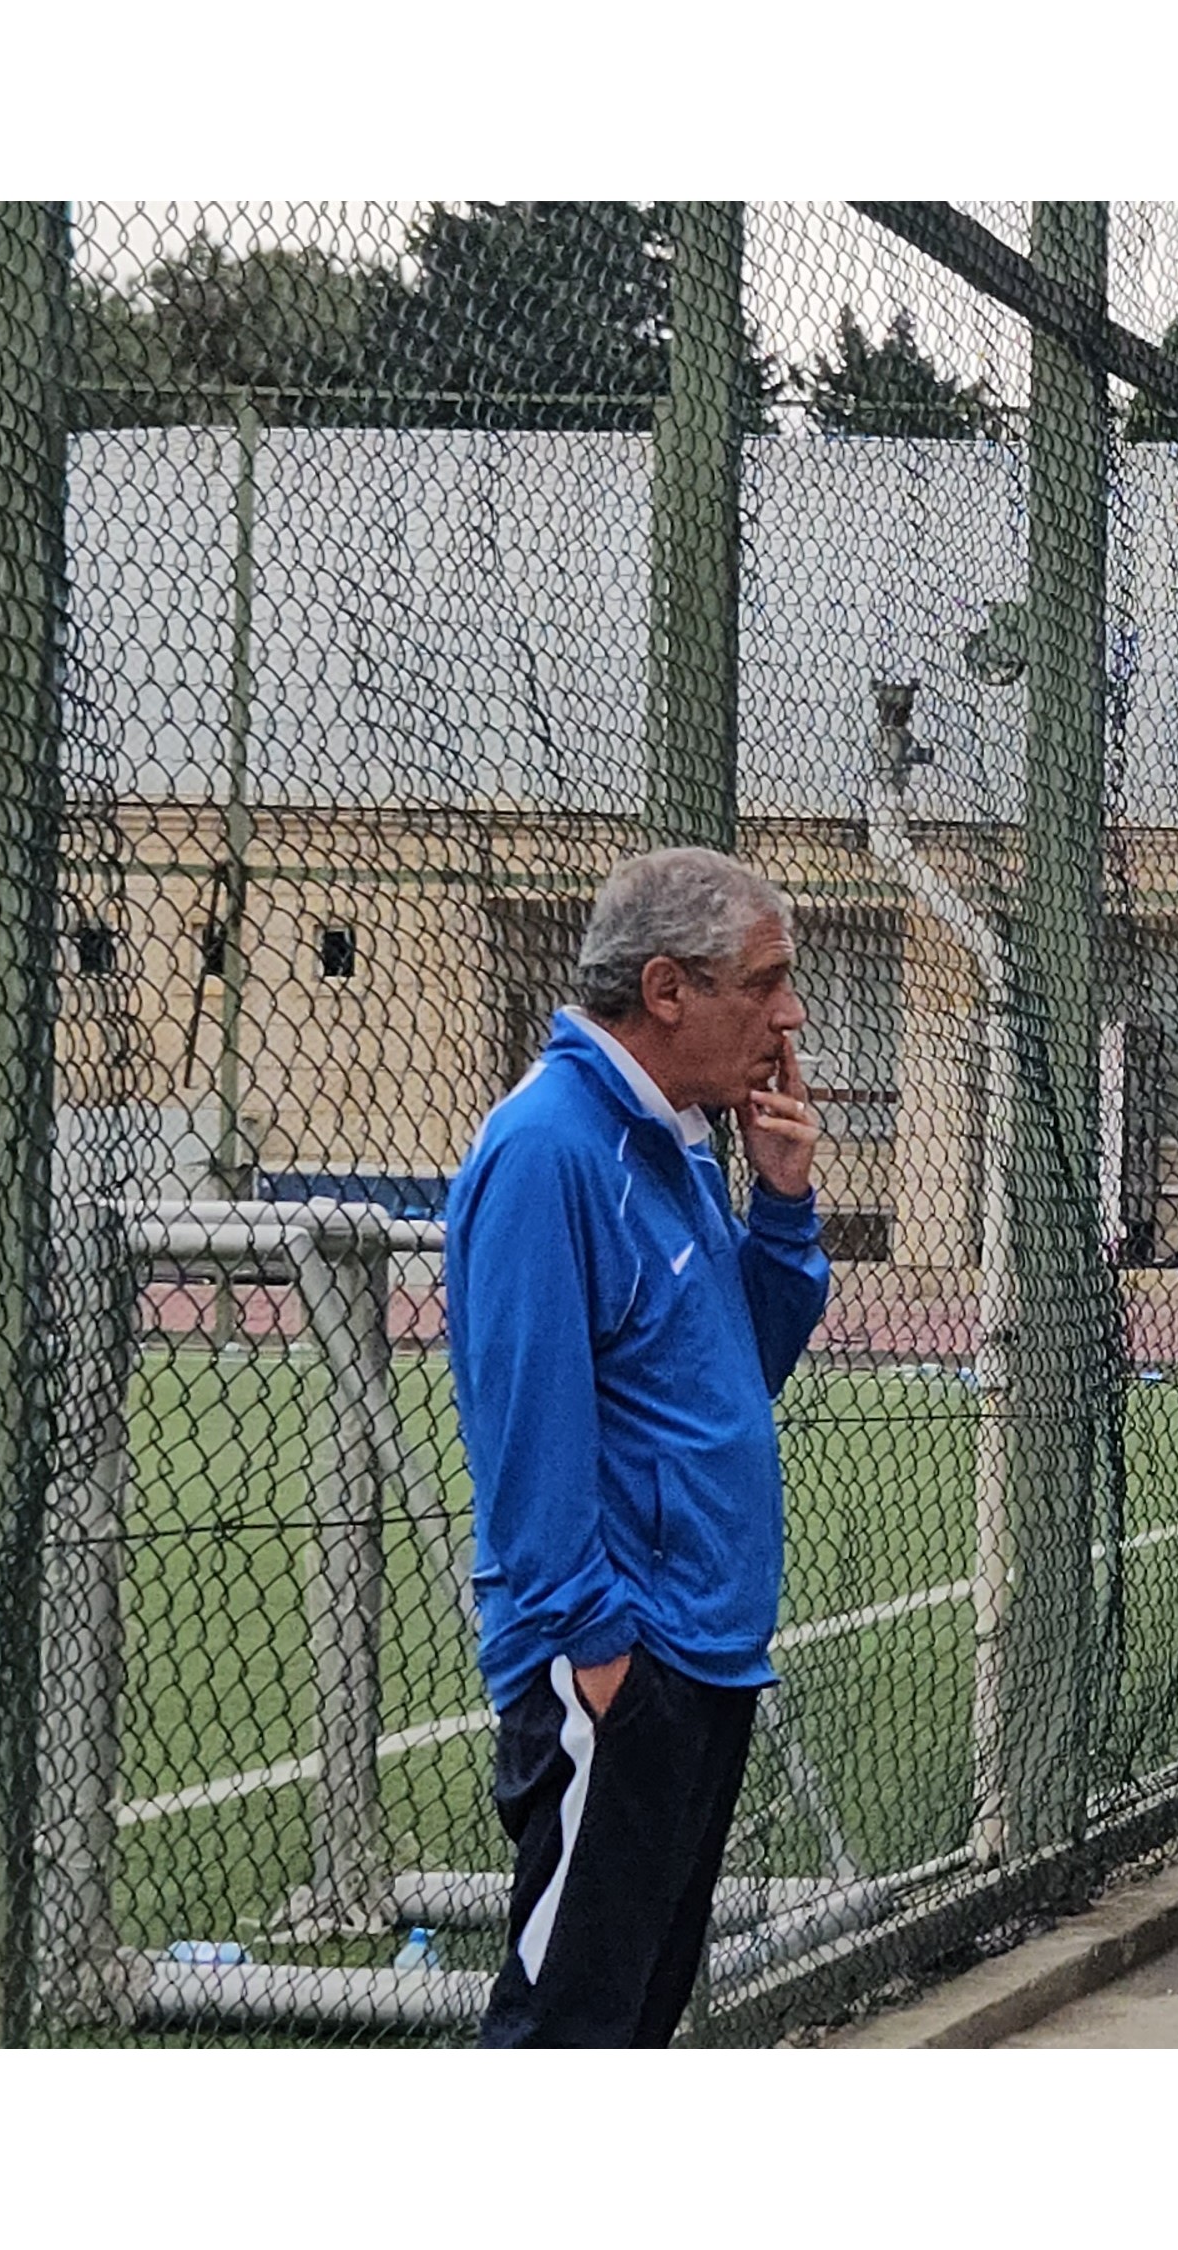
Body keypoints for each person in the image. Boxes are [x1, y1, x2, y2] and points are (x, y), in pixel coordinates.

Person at [446, 847, 828, 2046]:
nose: (790, 1015)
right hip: (619, 1664)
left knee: (639, 2013)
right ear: (668, 990)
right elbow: (525, 1430)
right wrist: (602, 1657)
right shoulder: (551, 1150)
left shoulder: (671, 1143)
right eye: (764, 983)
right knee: (568, 2027)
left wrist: (781, 1206)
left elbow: (738, 1372)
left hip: (701, 1653)